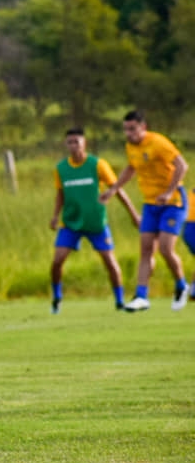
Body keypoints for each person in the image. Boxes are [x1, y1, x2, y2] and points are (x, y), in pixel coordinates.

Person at [100, 109, 189, 312]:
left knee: (165, 248)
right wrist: (113, 189)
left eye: (132, 129)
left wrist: (169, 191)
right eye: (125, 129)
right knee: (146, 249)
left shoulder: (158, 143)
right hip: (150, 204)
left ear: (143, 127)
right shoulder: (131, 147)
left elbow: (182, 166)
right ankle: (141, 296)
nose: (128, 134)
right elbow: (131, 168)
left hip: (173, 202)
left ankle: (181, 285)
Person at [49, 128, 141, 313]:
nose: (73, 146)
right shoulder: (61, 168)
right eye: (70, 142)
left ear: (85, 143)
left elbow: (117, 189)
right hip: (71, 223)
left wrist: (133, 214)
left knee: (109, 261)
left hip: (96, 223)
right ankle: (57, 298)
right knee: (58, 260)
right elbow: (60, 194)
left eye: (76, 142)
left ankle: (120, 301)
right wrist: (55, 215)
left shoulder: (97, 164)